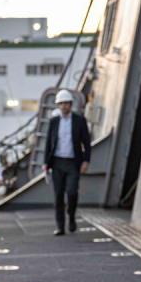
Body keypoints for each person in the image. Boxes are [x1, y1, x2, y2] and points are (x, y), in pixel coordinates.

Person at [43, 89, 92, 235]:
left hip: (73, 162)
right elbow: (48, 143)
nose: (64, 106)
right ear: (58, 105)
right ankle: (60, 226)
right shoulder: (54, 122)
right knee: (58, 195)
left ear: (71, 104)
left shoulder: (79, 120)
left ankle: (71, 216)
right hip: (57, 162)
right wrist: (46, 163)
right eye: (61, 104)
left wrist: (86, 161)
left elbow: (87, 143)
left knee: (71, 192)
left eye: (67, 103)